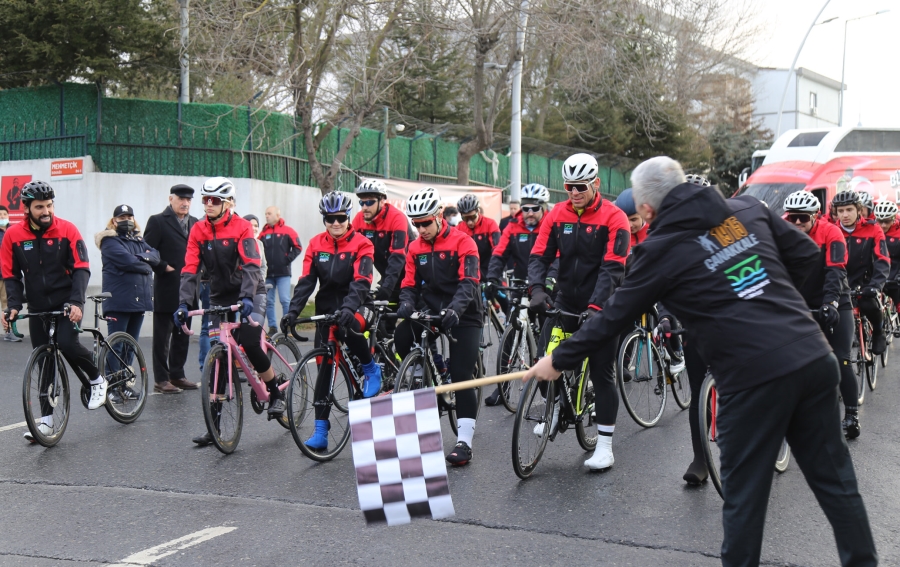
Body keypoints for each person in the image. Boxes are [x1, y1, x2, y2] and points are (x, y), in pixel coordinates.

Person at [525, 156, 877, 567]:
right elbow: (803, 255)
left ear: (647, 209)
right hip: (810, 355)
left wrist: (560, 357)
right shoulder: (746, 209)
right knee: (836, 483)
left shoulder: (659, 249)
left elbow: (614, 315)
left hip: (751, 376)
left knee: (744, 500)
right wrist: (765, 298)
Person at [528, 153, 630, 470]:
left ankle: (605, 446)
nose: (574, 192)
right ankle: (557, 406)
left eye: (581, 186)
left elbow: (612, 269)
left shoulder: (615, 217)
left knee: (602, 373)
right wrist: (537, 289)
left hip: (603, 305)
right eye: (569, 186)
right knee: (545, 364)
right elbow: (539, 255)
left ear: (596, 183)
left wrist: (596, 308)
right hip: (565, 301)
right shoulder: (557, 214)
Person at [1, 181, 109, 442]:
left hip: (65, 302)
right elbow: (10, 274)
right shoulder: (13, 236)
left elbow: (82, 267)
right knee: (44, 360)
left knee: (66, 344)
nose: (46, 211)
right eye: (39, 207)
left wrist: (76, 302)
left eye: (49, 205)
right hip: (39, 306)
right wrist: (13, 306)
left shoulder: (67, 229)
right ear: (26, 208)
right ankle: (47, 421)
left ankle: (97, 380)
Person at [175, 177, 280, 446]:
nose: (208, 205)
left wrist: (246, 297)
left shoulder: (243, 227)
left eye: (215, 201)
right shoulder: (198, 230)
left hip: (251, 290)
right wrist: (185, 304)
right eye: (205, 200)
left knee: (249, 339)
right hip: (221, 294)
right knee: (217, 352)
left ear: (228, 203)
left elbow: (252, 266)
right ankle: (215, 428)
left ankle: (274, 392)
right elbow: (189, 270)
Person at [280, 192, 381, 451]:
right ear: (324, 219)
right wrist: (292, 312)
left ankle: (370, 368)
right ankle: (321, 431)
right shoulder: (315, 244)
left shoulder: (362, 243)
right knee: (324, 369)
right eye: (329, 219)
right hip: (327, 309)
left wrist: (349, 306)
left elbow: (362, 281)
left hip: (358, 304)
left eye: (340, 218)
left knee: (349, 327)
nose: (335, 223)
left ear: (348, 218)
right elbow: (305, 283)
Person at [395, 187, 483, 466]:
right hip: (432, 307)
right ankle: (424, 367)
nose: (420, 229)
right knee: (400, 335)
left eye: (425, 223)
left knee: (461, 375)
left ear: (438, 217)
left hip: (465, 311)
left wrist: (455, 310)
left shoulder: (464, 242)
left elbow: (469, 282)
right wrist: (406, 304)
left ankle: (464, 442)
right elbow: (408, 285)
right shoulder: (414, 248)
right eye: (415, 224)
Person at [783, 191, 858, 441]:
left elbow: (835, 271)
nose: (796, 223)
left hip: (836, 301)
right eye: (792, 217)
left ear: (815, 216)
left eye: (802, 218)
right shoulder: (782, 233)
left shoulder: (831, 232)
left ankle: (851, 412)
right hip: (801, 303)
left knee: (840, 357)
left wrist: (831, 302)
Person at [483, 183, 550, 406]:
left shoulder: (551, 225)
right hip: (521, 285)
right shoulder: (513, 227)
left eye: (534, 208)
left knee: (547, 334)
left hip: (546, 285)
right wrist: (492, 278)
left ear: (543, 208)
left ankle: (549, 383)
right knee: (510, 334)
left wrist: (550, 282)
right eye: (526, 208)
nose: (529, 213)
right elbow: (499, 254)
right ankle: (503, 388)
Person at [95, 205, 160, 394]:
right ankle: (110, 386)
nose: (127, 219)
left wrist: (143, 259)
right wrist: (145, 261)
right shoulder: (109, 241)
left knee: (130, 346)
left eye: (129, 216)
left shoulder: (138, 240)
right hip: (118, 301)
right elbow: (128, 261)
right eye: (122, 217)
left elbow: (155, 256)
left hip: (138, 300)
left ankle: (123, 385)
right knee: (116, 345)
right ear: (114, 220)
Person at [144, 184, 200, 393]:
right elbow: (145, 250)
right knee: (162, 337)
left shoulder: (195, 223)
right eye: (181, 199)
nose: (185, 203)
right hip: (167, 287)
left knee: (182, 334)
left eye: (188, 200)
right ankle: (161, 379)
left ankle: (177, 374)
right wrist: (161, 266)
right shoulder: (158, 221)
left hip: (189, 287)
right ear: (171, 199)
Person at [832, 189, 889, 355]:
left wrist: (876, 285)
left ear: (858, 210)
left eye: (849, 210)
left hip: (865, 281)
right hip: (840, 282)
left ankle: (878, 332)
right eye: (840, 211)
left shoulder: (873, 229)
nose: (845, 215)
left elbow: (882, 259)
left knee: (869, 304)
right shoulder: (832, 230)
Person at [351, 179, 409, 302]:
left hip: (409, 277)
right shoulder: (359, 219)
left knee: (413, 319)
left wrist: (387, 287)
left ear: (382, 201)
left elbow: (397, 257)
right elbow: (352, 254)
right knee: (382, 319)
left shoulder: (397, 218)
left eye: (370, 202)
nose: (365, 207)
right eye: (362, 202)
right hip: (386, 275)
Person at [258, 206, 302, 336]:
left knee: (285, 300)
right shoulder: (263, 233)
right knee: (269, 301)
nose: (266, 216)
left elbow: (298, 247)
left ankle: (288, 326)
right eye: (265, 213)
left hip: (283, 273)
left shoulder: (288, 231)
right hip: (268, 274)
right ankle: (272, 327)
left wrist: (287, 260)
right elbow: (257, 249)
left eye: (269, 213)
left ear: (278, 215)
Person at [875, 200, 900, 314]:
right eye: (880, 221)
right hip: (878, 275)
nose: (883, 225)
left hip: (895, 275)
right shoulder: (872, 230)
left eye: (887, 221)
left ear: (894, 218)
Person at [0, 204, 18, 342]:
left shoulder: (13, 232)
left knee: (8, 305)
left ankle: (9, 331)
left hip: (7, 276)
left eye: (4, 215)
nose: (2, 217)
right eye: (0, 215)